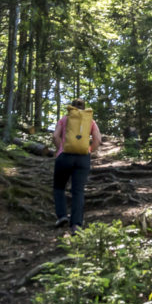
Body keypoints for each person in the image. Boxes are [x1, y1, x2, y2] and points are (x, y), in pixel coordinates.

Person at [51, 98, 101, 234]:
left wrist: (60, 149)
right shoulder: (90, 121)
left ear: (71, 108)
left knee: (59, 187)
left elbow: (55, 137)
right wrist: (89, 151)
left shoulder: (64, 119)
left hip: (64, 157)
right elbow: (98, 139)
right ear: (84, 108)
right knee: (78, 191)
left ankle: (62, 216)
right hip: (83, 158)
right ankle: (76, 225)